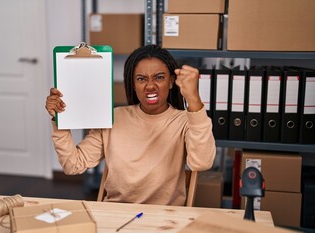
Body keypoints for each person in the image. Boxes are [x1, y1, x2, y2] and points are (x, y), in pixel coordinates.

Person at [45, 44, 216, 206]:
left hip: (164, 217)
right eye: (141, 79)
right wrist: (59, 120)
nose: (150, 86)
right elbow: (73, 165)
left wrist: (193, 98)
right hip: (116, 212)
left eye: (159, 78)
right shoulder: (113, 118)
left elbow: (202, 162)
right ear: (133, 84)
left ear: (171, 82)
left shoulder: (186, 121)